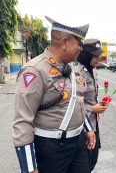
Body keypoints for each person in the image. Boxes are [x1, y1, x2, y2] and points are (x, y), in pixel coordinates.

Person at [13, 16, 95, 173]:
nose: (81, 49)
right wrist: (30, 169)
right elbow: (22, 122)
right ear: (64, 42)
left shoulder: (70, 68)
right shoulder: (35, 70)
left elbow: (76, 102)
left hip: (78, 142)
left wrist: (88, 129)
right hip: (51, 148)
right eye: (79, 43)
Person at [72, 38, 108, 171]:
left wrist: (99, 104)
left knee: (93, 159)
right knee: (85, 163)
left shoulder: (92, 71)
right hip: (83, 127)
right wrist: (93, 108)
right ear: (86, 55)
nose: (98, 59)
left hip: (94, 123)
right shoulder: (77, 72)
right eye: (95, 56)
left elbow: (90, 97)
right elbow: (74, 101)